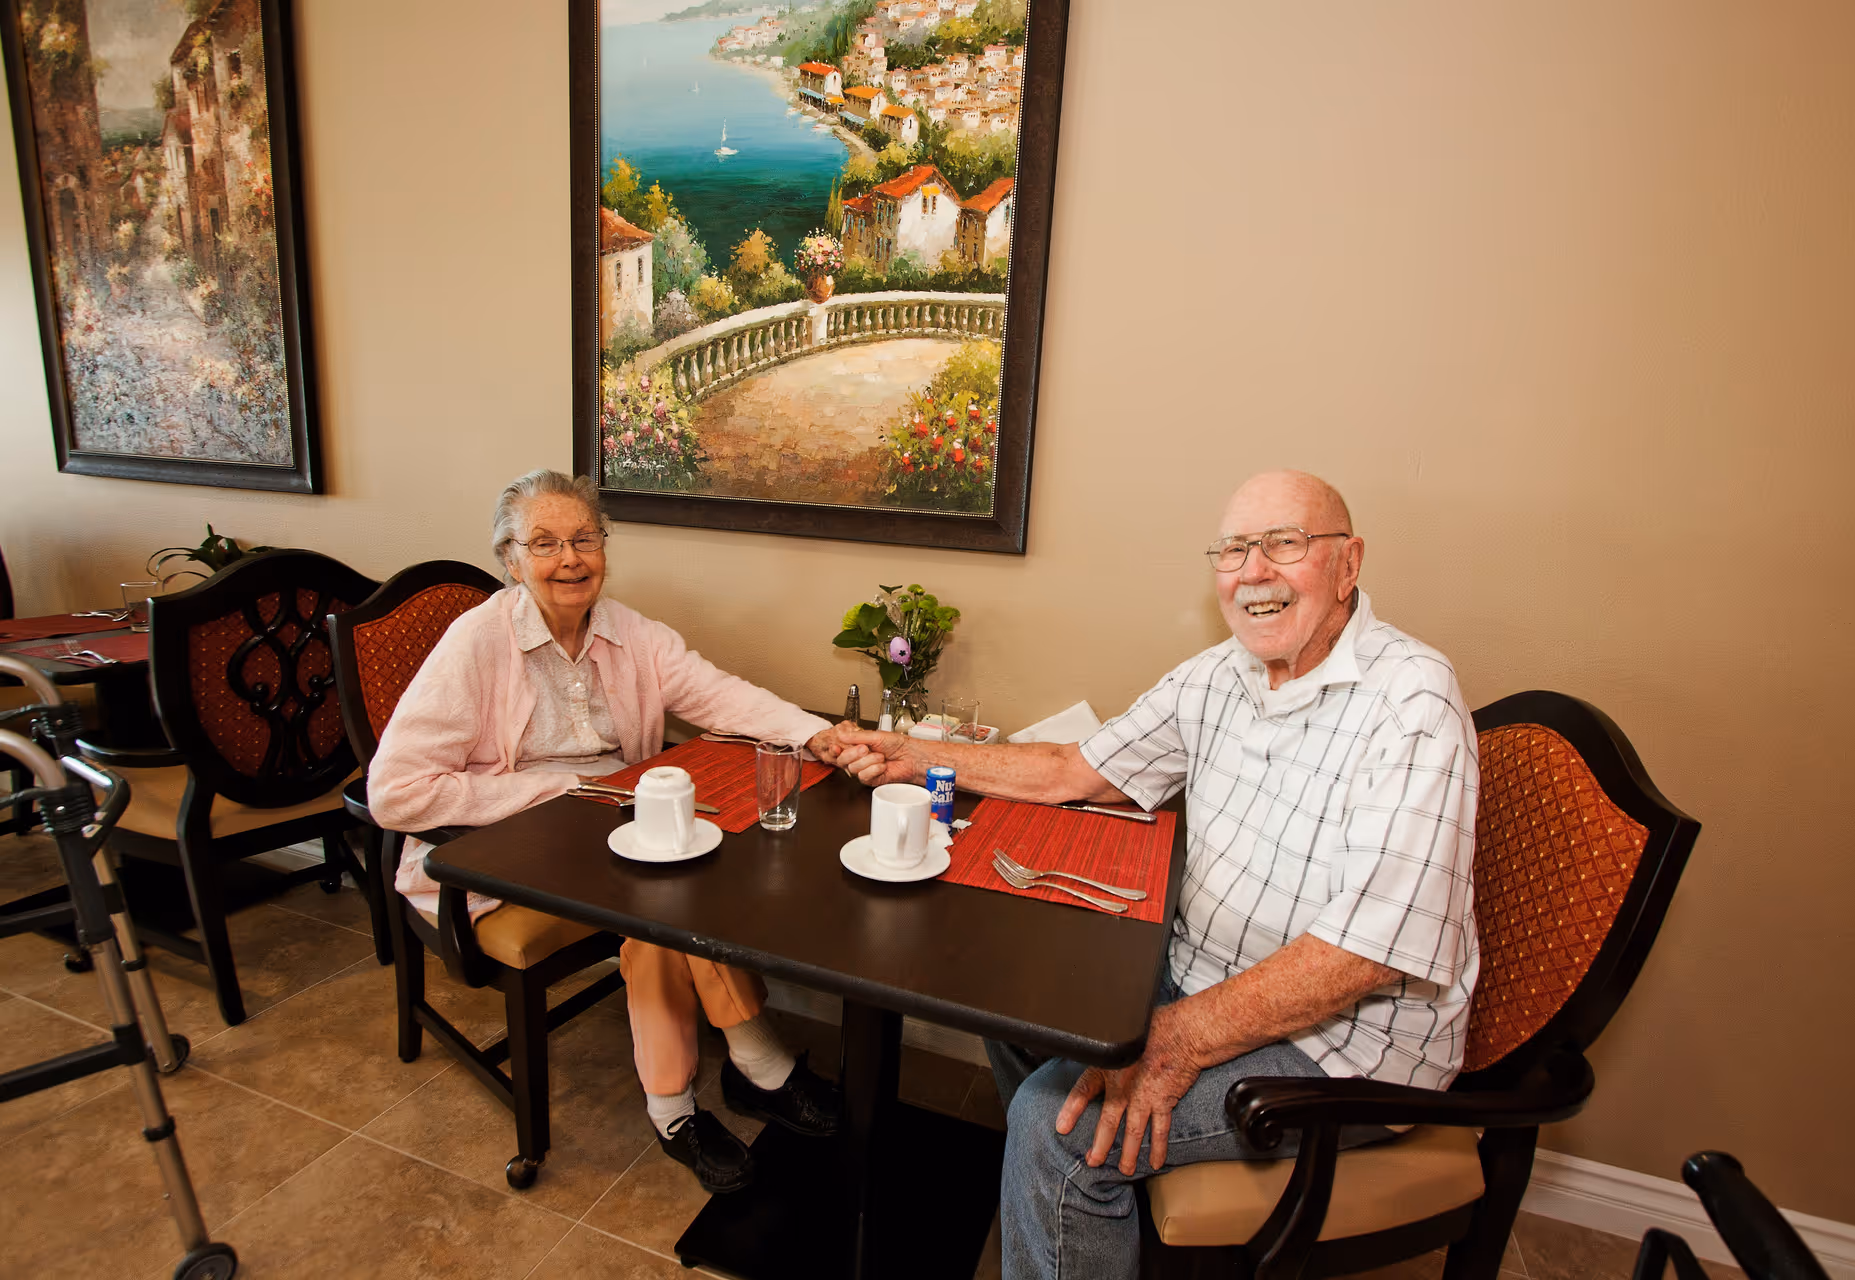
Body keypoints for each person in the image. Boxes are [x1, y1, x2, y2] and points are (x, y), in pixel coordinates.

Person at [828, 470, 1480, 1280]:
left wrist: (1176, 1039)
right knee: (1006, 989)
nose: (1255, 571)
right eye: (1236, 549)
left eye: (1285, 544)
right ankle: (1083, 1225)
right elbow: (1076, 769)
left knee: (1054, 1134)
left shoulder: (1413, 699)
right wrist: (915, 753)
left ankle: (1068, 1184)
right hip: (1201, 970)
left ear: (1348, 565)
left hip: (1344, 1046)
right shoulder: (1218, 676)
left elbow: (1367, 953)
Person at [369, 469, 847, 1195]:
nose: (570, 559)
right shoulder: (477, 642)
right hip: (500, 845)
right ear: (510, 559)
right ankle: (710, 1090)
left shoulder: (629, 632)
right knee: (661, 902)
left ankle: (726, 1080)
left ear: (604, 547)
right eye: (545, 542)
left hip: (607, 823)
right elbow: (394, 791)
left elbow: (721, 696)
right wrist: (557, 789)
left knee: (691, 875)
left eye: (584, 538)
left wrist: (818, 736)